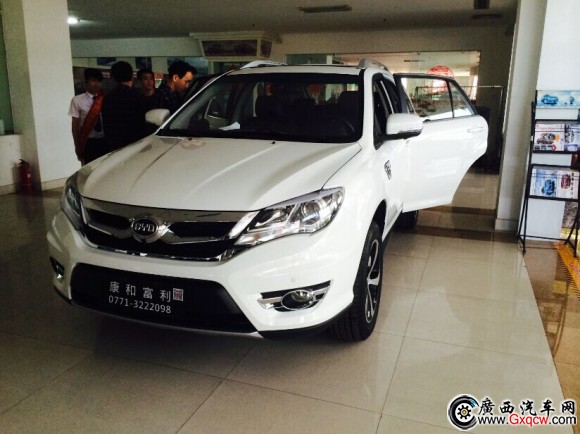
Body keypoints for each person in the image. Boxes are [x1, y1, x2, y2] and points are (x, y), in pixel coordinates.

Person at [101, 61, 146, 152]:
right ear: (132, 76)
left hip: (115, 145)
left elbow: (106, 125)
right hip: (136, 144)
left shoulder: (108, 98)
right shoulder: (138, 96)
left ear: (113, 77)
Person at [68, 68, 106, 164]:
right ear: (86, 82)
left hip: (106, 140)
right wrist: (77, 145)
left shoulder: (106, 98)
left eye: (99, 81)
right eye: (93, 81)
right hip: (88, 142)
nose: (97, 84)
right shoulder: (77, 100)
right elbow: (75, 125)